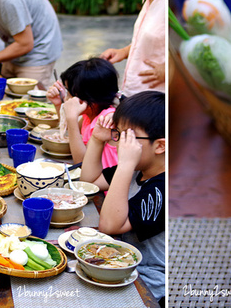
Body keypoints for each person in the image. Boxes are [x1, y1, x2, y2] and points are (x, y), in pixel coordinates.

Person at [82, 91, 166, 305]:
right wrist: (98, 138)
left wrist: (126, 164)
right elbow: (89, 183)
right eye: (118, 134)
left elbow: (109, 225)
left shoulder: (163, 188)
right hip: (120, 263)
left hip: (149, 282)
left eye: (127, 137)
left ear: (159, 145)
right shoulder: (141, 168)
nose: (119, 143)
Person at [53, 58, 121, 180]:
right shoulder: (89, 115)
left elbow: (81, 163)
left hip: (101, 190)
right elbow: (71, 133)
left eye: (69, 93)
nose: (67, 98)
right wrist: (59, 104)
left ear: (89, 99)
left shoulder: (105, 122)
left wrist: (72, 117)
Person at [99, 0, 167, 95]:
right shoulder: (148, 0)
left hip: (155, 98)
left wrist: (168, 69)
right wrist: (124, 51)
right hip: (133, 91)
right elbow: (154, 40)